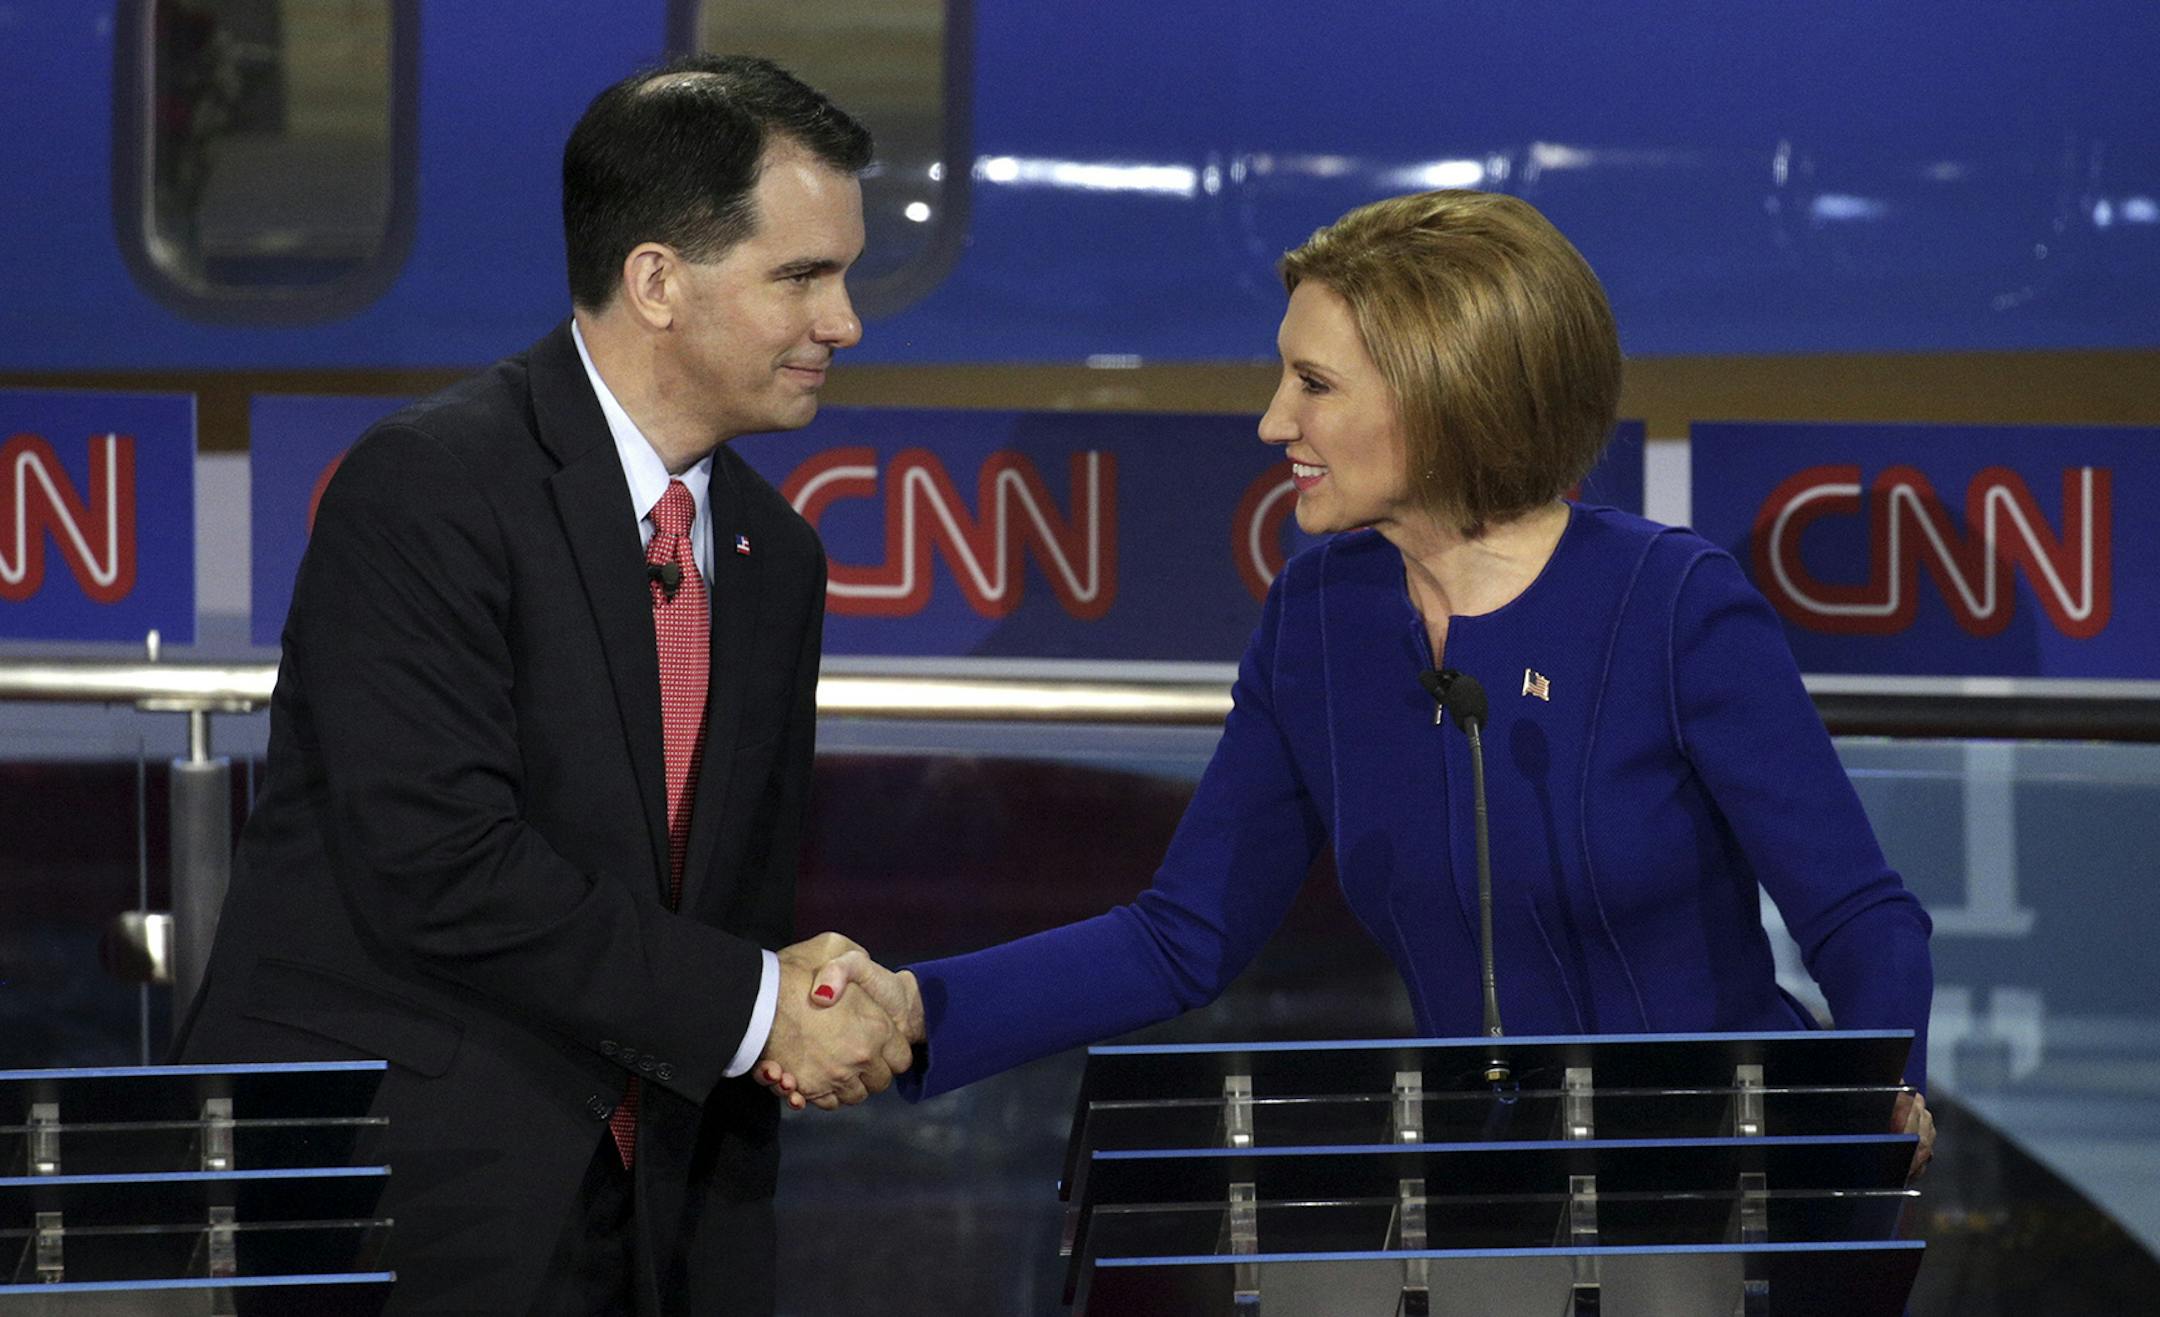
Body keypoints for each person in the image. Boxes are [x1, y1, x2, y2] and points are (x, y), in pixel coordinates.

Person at [766, 189, 1937, 1174]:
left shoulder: (1671, 606)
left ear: (1442, 392)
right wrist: (917, 1012)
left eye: (1314, 384)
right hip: (1482, 1205)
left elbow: (1857, 915)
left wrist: (1879, 1090)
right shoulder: (1322, 617)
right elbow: (1183, 934)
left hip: (1727, 1186)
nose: (1276, 420)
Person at [174, 56, 910, 1314]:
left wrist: (807, 998)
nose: (845, 322)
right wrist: (759, 1006)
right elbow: (441, 864)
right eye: (803, 276)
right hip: (406, 1189)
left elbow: (726, 906)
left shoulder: (775, 555)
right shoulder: (430, 490)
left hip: (664, 1217)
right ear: (658, 282)